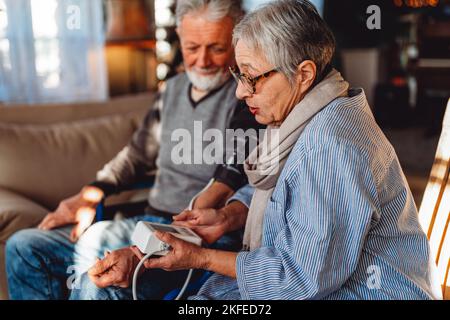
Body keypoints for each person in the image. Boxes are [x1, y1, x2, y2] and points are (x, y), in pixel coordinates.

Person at [73, 0, 442, 300]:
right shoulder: (309, 114)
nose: (239, 91)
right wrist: (231, 216)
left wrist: (200, 257)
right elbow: (286, 188)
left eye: (251, 77)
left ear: (304, 74)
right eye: (239, 75)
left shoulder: (330, 146)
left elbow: (299, 280)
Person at [6, 0, 261, 300]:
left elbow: (233, 168)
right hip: (145, 223)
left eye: (216, 48)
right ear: (179, 36)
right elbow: (135, 156)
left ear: (236, 40)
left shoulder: (246, 94)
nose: (202, 60)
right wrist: (88, 195)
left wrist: (205, 206)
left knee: (96, 284)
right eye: (192, 47)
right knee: (23, 247)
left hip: (199, 239)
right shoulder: (172, 90)